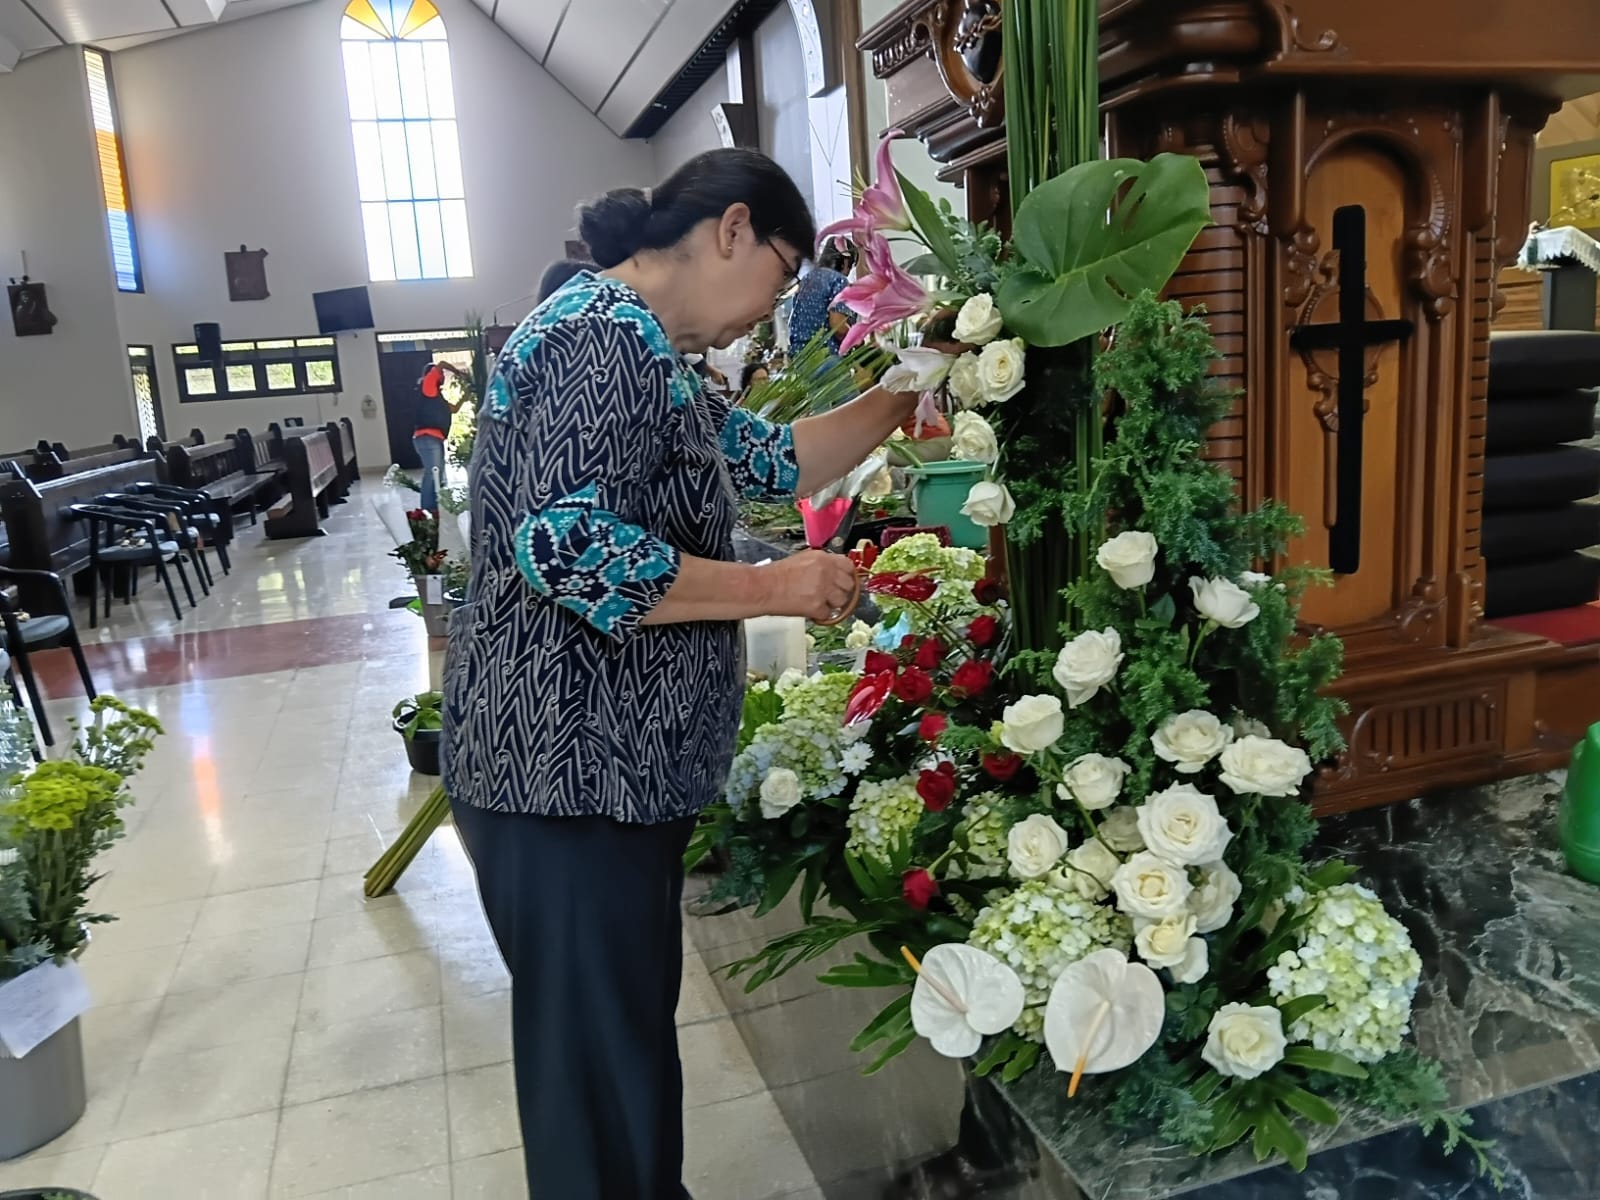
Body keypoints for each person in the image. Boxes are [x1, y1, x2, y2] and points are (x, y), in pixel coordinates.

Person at [442, 148, 918, 1199]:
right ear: (732, 229)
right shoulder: (597, 340)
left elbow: (772, 460)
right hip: (564, 775)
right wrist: (778, 587)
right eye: (779, 278)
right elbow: (567, 548)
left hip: (600, 777)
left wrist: (905, 390)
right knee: (595, 1084)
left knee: (617, 1059)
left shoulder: (643, 347)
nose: (769, 313)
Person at [412, 360, 465, 513]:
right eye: (440, 374)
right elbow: (441, 363)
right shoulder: (428, 386)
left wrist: (466, 395)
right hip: (427, 437)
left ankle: (434, 507)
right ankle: (427, 510)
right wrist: (458, 372)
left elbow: (453, 409)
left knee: (438, 472)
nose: (442, 376)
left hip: (434, 438)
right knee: (433, 471)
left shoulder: (435, 394)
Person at [787, 240, 855, 352]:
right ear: (846, 261)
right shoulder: (839, 280)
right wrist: (858, 339)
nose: (848, 272)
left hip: (799, 355)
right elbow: (838, 327)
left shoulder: (806, 279)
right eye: (851, 265)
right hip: (824, 355)